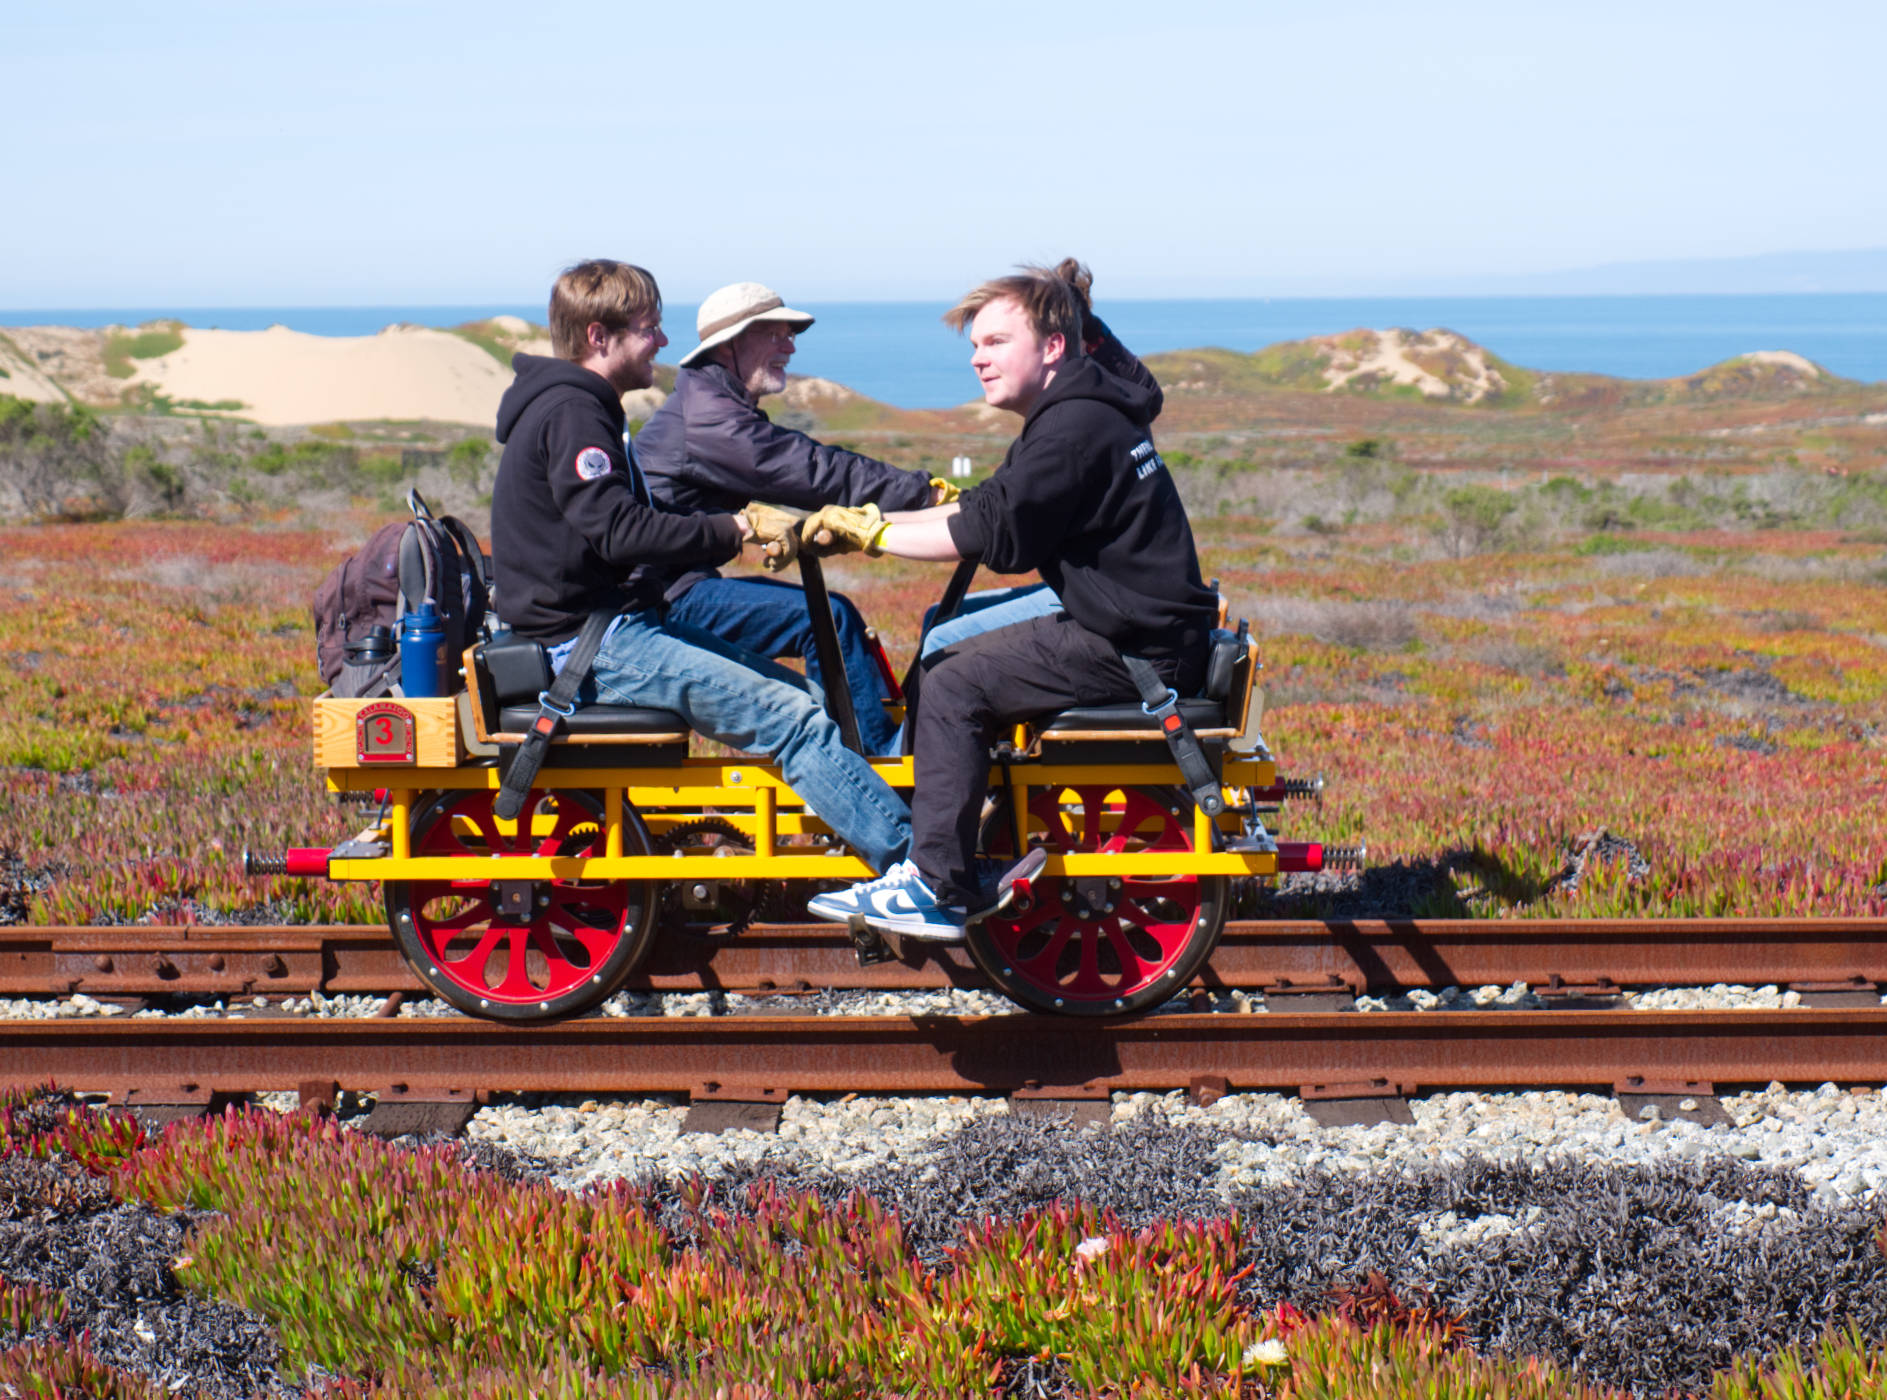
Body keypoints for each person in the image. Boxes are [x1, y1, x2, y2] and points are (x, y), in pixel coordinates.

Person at [805, 262, 1217, 939]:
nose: (977, 359)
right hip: (1146, 622)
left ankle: (934, 884)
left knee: (952, 678)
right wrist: (861, 524)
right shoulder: (1091, 403)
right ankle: (945, 818)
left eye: (995, 342)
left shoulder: (1069, 431)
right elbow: (992, 507)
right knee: (948, 629)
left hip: (1133, 645)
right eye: (973, 346)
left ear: (1054, 347)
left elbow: (988, 533)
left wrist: (869, 531)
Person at [489, 259, 911, 876]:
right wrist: (734, 529)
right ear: (599, 338)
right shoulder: (574, 413)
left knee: (805, 704)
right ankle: (926, 872)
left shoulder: (578, 406)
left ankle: (870, 829)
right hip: (589, 641)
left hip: (603, 627)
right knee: (791, 719)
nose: (662, 341)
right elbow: (618, 531)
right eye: (648, 328)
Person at [632, 282, 951, 756]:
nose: (790, 345)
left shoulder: (710, 404)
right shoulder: (711, 420)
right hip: (666, 598)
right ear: (730, 345)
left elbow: (799, 472)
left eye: (790, 334)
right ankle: (875, 764)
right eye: (774, 334)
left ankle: (853, 743)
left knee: (830, 615)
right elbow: (813, 470)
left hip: (672, 585)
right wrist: (926, 495)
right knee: (831, 618)